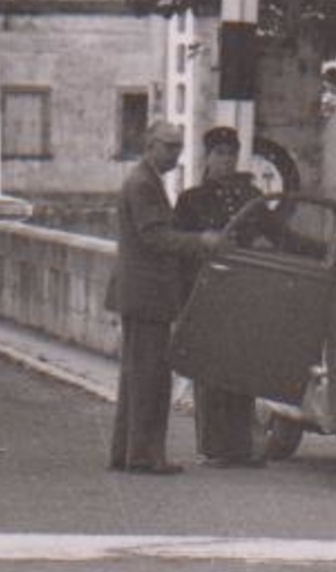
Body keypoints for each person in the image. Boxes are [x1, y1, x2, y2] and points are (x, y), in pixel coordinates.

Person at [106, 121, 223, 475]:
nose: (175, 154)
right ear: (150, 144)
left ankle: (127, 452)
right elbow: (155, 237)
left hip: (141, 293)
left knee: (138, 376)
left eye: (178, 147)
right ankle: (144, 456)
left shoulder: (145, 179)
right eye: (169, 147)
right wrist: (200, 241)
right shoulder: (143, 184)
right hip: (147, 295)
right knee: (150, 378)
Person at [173, 126, 265, 468]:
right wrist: (183, 304)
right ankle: (215, 447)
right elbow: (179, 252)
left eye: (231, 153)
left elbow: (277, 233)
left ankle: (241, 445)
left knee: (242, 367)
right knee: (210, 370)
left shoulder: (251, 198)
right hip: (206, 293)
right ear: (207, 157)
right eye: (220, 153)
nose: (226, 160)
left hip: (243, 293)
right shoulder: (190, 201)